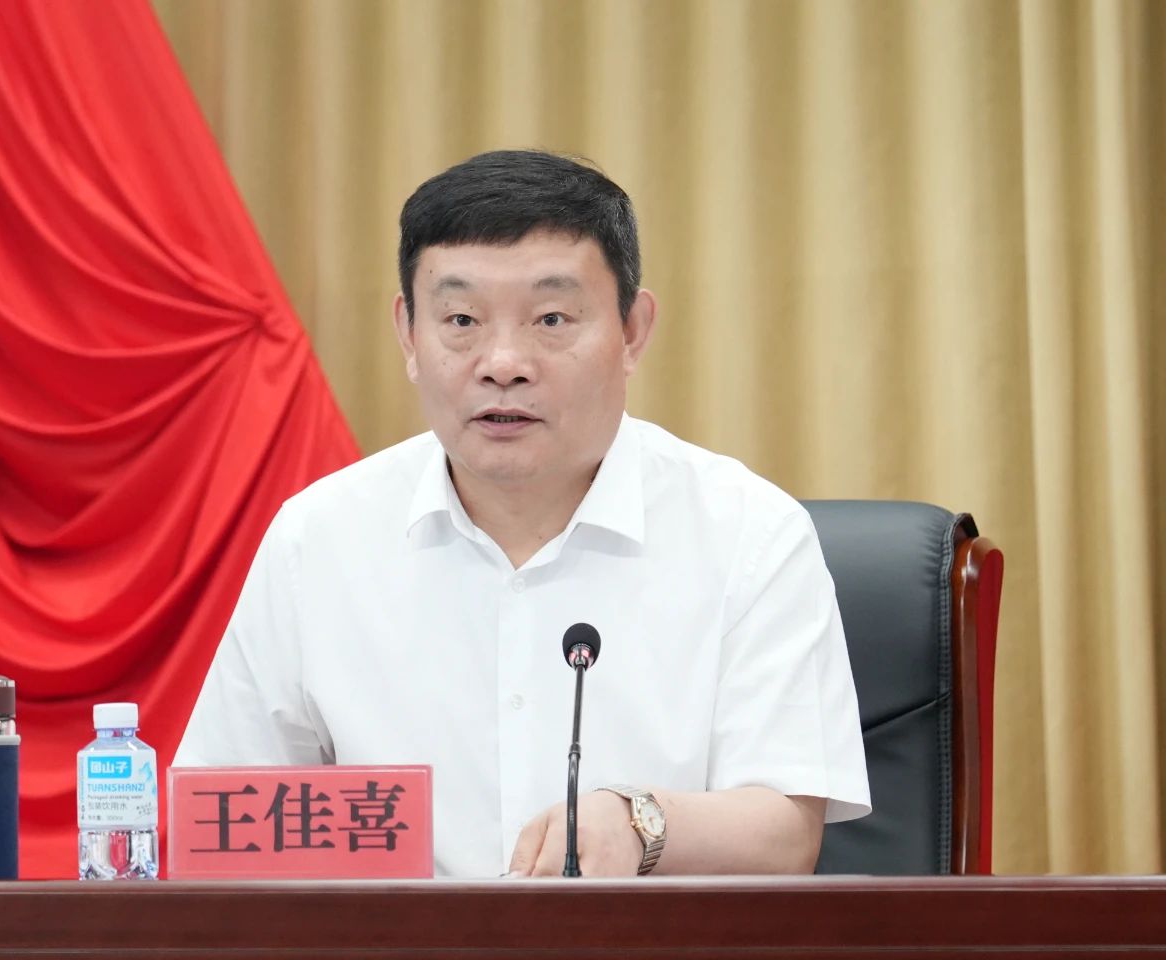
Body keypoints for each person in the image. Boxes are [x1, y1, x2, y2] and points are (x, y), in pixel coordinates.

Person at [174, 149, 870, 878]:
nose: (503, 362)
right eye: (462, 319)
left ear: (633, 330)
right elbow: (222, 822)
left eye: (551, 319)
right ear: (409, 334)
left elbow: (786, 832)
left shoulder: (748, 534)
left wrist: (640, 823)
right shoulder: (318, 539)